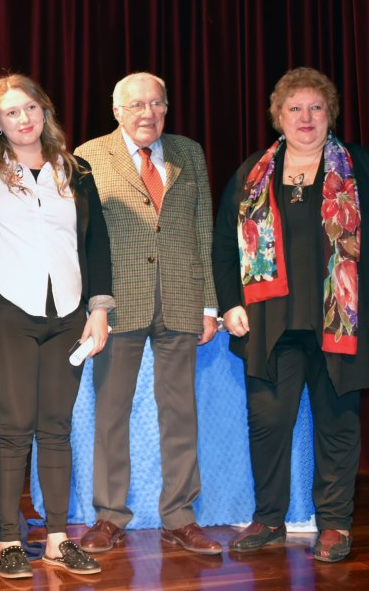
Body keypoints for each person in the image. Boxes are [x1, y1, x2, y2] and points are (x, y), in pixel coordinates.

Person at [213, 67, 369, 563]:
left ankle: (335, 524)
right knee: (267, 425)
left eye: (316, 107)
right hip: (269, 324)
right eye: (295, 108)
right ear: (278, 117)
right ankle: (268, 519)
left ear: (330, 114)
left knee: (337, 424)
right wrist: (231, 302)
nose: (306, 117)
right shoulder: (252, 173)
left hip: (341, 323)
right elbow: (223, 247)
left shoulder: (363, 168)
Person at [74, 72, 222, 556]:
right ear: (116, 111)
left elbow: (203, 228)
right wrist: (92, 304)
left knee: (181, 414)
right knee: (111, 413)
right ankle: (108, 516)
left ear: (166, 108)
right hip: (118, 304)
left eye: (156, 103)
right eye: (136, 104)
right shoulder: (89, 155)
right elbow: (83, 237)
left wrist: (209, 304)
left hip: (181, 299)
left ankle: (180, 517)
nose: (147, 113)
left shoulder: (189, 153)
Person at [0, 75, 113, 578]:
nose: (24, 119)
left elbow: (96, 244)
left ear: (45, 112)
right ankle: (9, 541)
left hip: (69, 314)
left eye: (30, 108)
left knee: (56, 428)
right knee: (13, 430)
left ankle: (57, 540)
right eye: (11, 112)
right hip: (8, 312)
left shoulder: (75, 170)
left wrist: (99, 310)